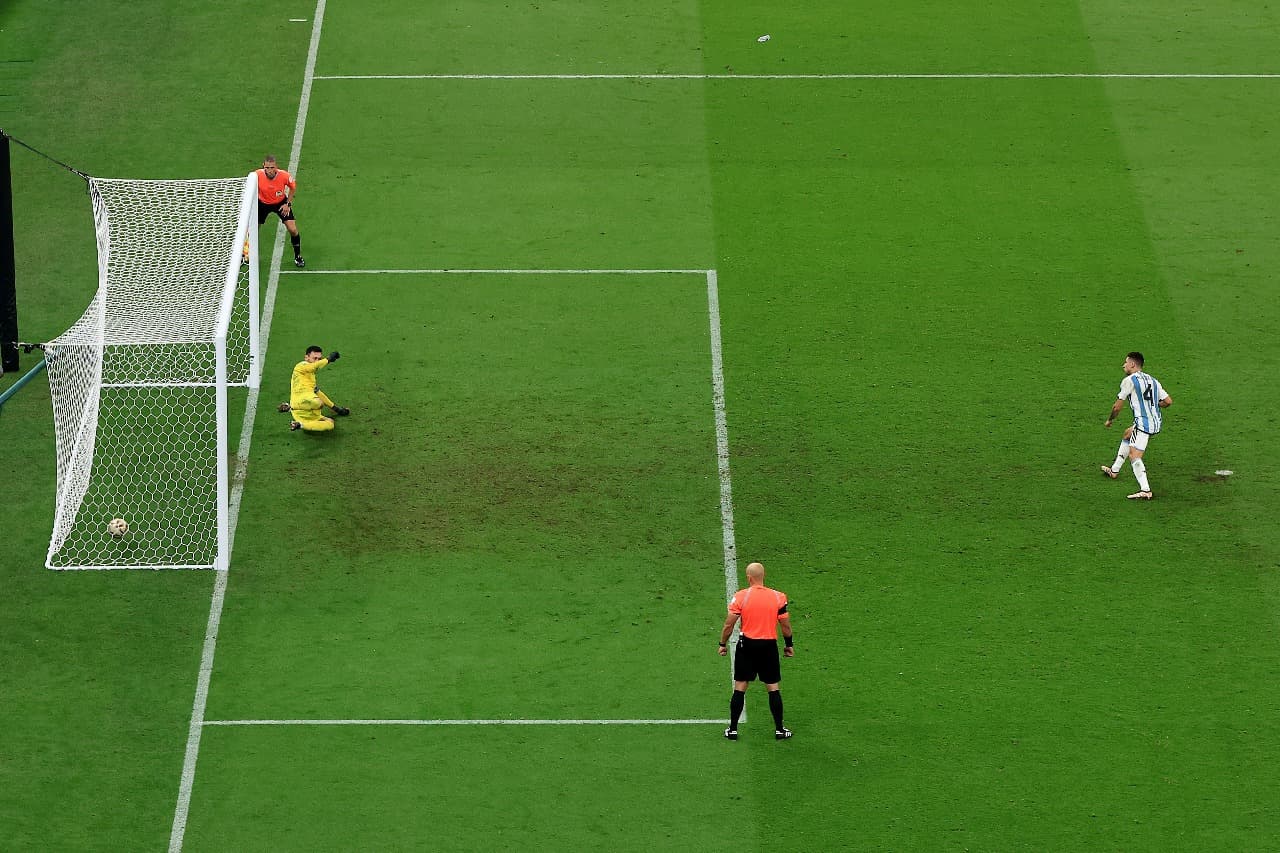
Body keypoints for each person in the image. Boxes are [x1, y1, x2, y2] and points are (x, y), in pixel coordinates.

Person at [718, 561, 794, 740]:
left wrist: (722, 644)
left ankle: (733, 730)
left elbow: (729, 624)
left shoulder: (741, 596)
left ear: (748, 578)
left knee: (740, 687)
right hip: (768, 647)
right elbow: (785, 625)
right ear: (763, 576)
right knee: (773, 687)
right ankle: (779, 729)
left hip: (747, 646)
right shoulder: (778, 597)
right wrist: (789, 644)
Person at [1101, 351, 1172, 500]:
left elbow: (1117, 407)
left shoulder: (1130, 380)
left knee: (1134, 455)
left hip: (1143, 425)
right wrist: (1153, 406)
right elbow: (1168, 402)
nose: (1123, 365)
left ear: (1132, 364)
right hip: (1156, 422)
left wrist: (1110, 420)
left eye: (1126, 362)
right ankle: (1114, 470)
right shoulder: (1153, 380)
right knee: (1128, 434)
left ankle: (1145, 490)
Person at [256, 155, 305, 268]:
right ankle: (247, 254)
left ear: (276, 167)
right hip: (262, 204)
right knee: (252, 231)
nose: (269, 170)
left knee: (293, 229)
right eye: (267, 168)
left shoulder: (284, 176)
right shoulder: (257, 175)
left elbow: (293, 187)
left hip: (280, 203)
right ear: (263, 166)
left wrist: (287, 204)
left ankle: (298, 257)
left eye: (272, 167)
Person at [286, 346, 350, 432]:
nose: (317, 361)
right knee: (318, 403)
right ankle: (291, 407)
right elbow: (312, 367)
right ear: (306, 357)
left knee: (330, 424)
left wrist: (337, 409)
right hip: (300, 402)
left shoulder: (311, 378)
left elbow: (319, 393)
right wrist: (328, 359)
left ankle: (300, 425)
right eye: (314, 358)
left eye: (319, 359)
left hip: (308, 415)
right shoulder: (300, 366)